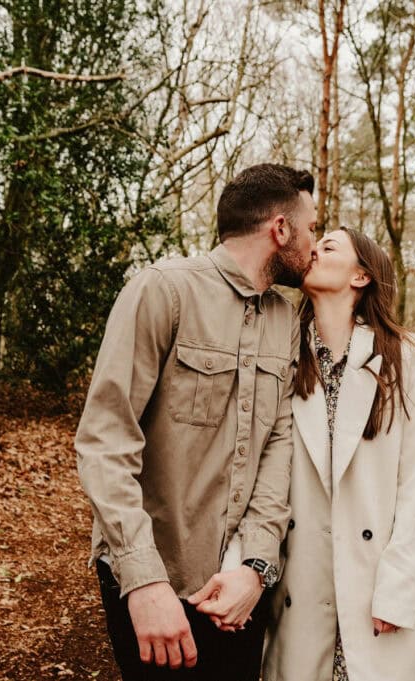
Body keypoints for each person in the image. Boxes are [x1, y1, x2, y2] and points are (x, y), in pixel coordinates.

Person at [75, 163, 317, 680]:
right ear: (280, 229)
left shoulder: (285, 319)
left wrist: (255, 567)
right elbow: (104, 441)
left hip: (237, 587)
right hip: (154, 576)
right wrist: (144, 582)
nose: (315, 244)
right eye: (311, 227)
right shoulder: (162, 291)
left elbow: (278, 445)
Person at [262, 227, 415, 681]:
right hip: (300, 588)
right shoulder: (283, 352)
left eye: (330, 246)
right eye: (316, 243)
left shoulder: (404, 356)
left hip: (377, 592)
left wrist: (400, 590)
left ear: (361, 276)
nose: (313, 249)